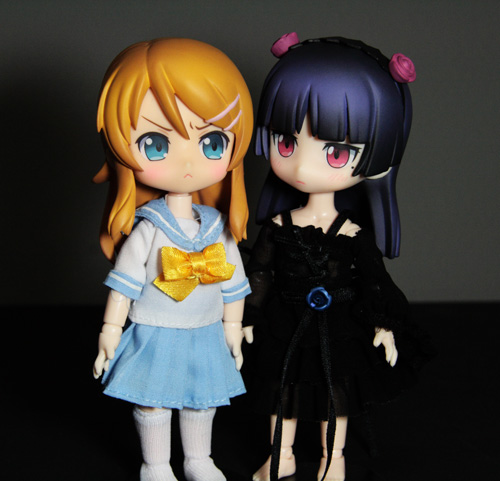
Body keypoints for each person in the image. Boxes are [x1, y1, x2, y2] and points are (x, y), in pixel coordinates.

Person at [244, 33, 428, 481]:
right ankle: (281, 456)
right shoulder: (279, 226)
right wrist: (246, 318)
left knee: (336, 395)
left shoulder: (352, 233)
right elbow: (260, 271)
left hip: (340, 326)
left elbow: (373, 281)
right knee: (281, 390)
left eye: (336, 152)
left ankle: (334, 460)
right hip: (286, 322)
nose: (303, 167)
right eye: (286, 142)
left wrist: (383, 325)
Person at [92, 38, 253, 481]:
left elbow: (235, 284)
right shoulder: (149, 227)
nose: (187, 161)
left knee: (203, 400)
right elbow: (123, 284)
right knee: (153, 402)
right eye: (156, 144)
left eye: (212, 143)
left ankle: (199, 460)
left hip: (205, 330)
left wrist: (233, 328)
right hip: (157, 330)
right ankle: (156, 464)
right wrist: (110, 330)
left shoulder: (218, 227)